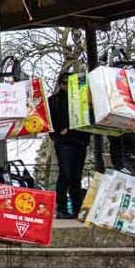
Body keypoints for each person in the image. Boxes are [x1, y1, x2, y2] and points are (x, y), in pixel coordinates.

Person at [48, 75, 90, 218]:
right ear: (60, 84)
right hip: (64, 141)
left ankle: (77, 208)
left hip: (79, 140)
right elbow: (49, 121)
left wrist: (85, 137)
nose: (67, 86)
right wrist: (58, 133)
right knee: (66, 174)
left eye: (70, 84)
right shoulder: (54, 100)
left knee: (76, 176)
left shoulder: (80, 98)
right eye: (65, 83)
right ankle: (62, 208)